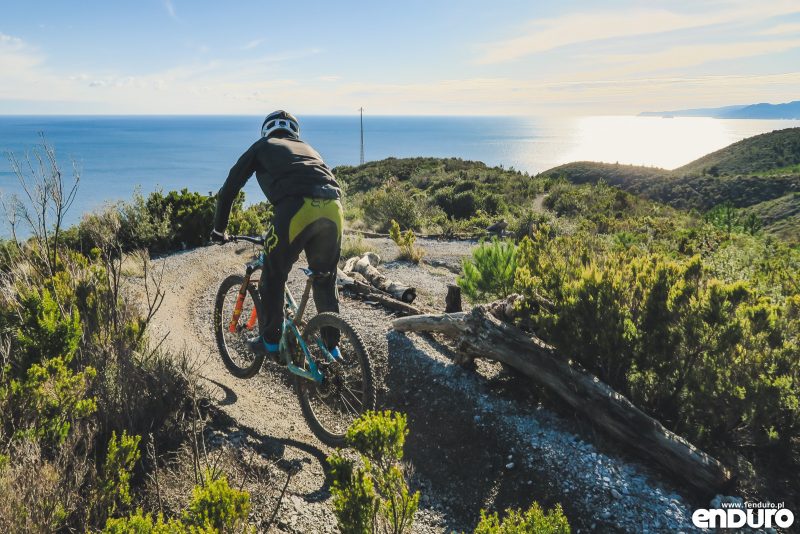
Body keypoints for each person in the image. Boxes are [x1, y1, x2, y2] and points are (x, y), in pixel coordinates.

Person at [210, 110, 343, 357]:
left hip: (297, 208)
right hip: (334, 207)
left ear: (266, 131)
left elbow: (228, 190)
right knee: (325, 278)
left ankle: (271, 341)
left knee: (273, 273)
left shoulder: (263, 145)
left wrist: (219, 230)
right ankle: (331, 348)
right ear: (295, 132)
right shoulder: (310, 149)